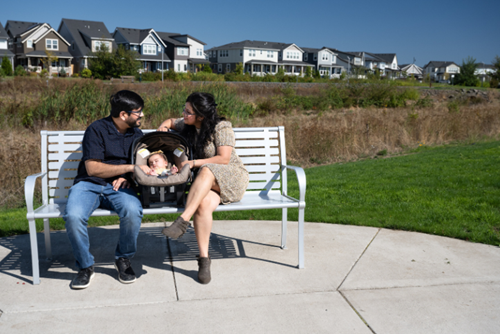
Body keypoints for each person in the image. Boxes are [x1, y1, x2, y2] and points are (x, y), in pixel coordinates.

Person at [157, 92, 249, 284]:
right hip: (208, 183)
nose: (184, 113)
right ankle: (204, 259)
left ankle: (183, 220)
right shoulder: (189, 124)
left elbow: (223, 159)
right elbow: (171, 121)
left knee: (206, 169)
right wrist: (164, 126)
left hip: (232, 177)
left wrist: (192, 163)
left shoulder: (222, 127)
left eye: (188, 111)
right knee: (203, 205)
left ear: (201, 115)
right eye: (184, 109)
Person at [63, 90, 152, 289]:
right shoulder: (96, 130)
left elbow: (143, 162)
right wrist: (129, 168)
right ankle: (85, 266)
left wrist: (128, 176)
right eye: (138, 112)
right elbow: (93, 169)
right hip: (88, 184)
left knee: (132, 211)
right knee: (73, 216)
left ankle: (123, 259)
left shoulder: (137, 134)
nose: (142, 116)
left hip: (119, 187)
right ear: (123, 115)